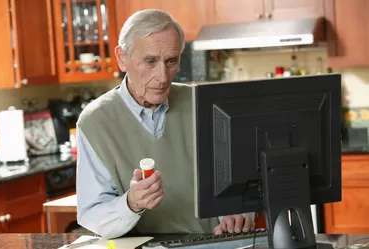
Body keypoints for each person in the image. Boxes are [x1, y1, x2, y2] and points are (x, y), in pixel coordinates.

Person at [76, 9, 254, 239]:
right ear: (122, 58)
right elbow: (94, 215)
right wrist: (131, 203)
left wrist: (237, 213)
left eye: (171, 61)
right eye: (150, 61)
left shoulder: (205, 105)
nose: (162, 76)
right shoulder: (95, 122)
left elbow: (240, 183)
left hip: (211, 244)